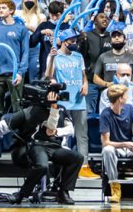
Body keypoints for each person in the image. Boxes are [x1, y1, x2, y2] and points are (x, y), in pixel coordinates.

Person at [0, 85, 82, 204]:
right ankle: (22, 194)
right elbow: (2, 126)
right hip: (37, 146)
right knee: (42, 166)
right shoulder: (30, 112)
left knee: (77, 157)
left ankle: (63, 193)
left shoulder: (60, 109)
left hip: (55, 146)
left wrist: (57, 132)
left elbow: (71, 130)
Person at [99, 84, 133, 204]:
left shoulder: (129, 109)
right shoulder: (105, 114)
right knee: (107, 150)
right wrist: (125, 144)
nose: (127, 97)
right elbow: (105, 142)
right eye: (125, 95)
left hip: (130, 145)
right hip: (115, 147)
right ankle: (114, 187)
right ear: (120, 98)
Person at [45, 29, 89, 165]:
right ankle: (62, 163)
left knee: (82, 134)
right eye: (72, 41)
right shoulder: (54, 55)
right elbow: (48, 76)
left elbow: (83, 75)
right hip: (63, 100)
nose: (75, 43)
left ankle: (84, 164)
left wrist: (86, 84)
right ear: (64, 42)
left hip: (79, 99)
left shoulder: (78, 56)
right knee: (62, 133)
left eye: (76, 40)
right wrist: (52, 58)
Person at [0, 0, 29, 120]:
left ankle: (18, 136)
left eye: (3, 7)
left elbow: (25, 53)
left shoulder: (21, 29)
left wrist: (20, 72)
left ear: (11, 10)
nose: (0, 10)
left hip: (14, 74)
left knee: (17, 108)